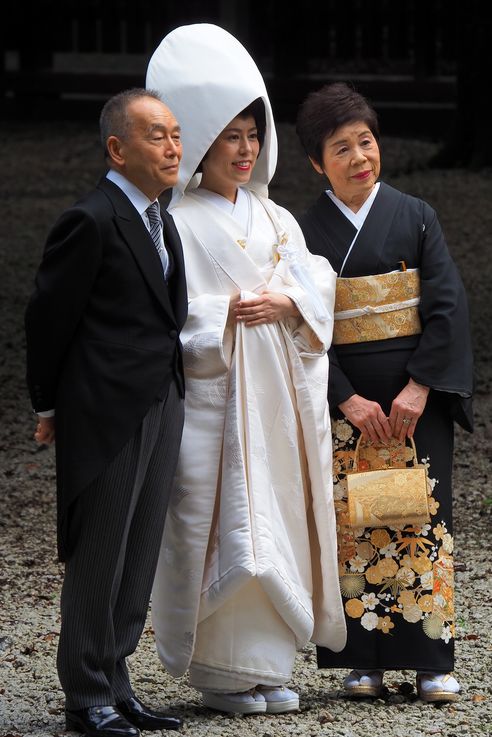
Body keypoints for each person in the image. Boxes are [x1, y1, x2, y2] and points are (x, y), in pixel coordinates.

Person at [144, 24, 347, 716]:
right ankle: (223, 669)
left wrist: (290, 297)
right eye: (230, 135)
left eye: (252, 136)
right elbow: (168, 310)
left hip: (279, 398)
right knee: (225, 516)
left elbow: (318, 285)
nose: (244, 149)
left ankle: (269, 663)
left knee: (281, 516)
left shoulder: (277, 217)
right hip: (219, 398)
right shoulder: (177, 220)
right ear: (203, 139)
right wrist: (222, 311)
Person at [295, 82, 474, 703]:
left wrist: (421, 387)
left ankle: (431, 662)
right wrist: (344, 398)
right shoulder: (301, 231)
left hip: (411, 403)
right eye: (340, 148)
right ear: (317, 163)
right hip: (344, 402)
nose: (359, 157)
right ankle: (361, 661)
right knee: (353, 525)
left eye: (365, 142)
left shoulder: (416, 214)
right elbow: (303, 327)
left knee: (419, 520)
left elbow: (446, 306)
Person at [24, 88, 188, 736]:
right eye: (157, 135)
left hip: (161, 399)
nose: (173, 147)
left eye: (176, 133)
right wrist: (49, 402)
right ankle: (85, 692)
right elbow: (47, 319)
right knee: (101, 551)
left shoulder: (160, 215)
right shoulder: (89, 220)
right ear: (117, 148)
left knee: (140, 550)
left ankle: (118, 680)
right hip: (106, 407)